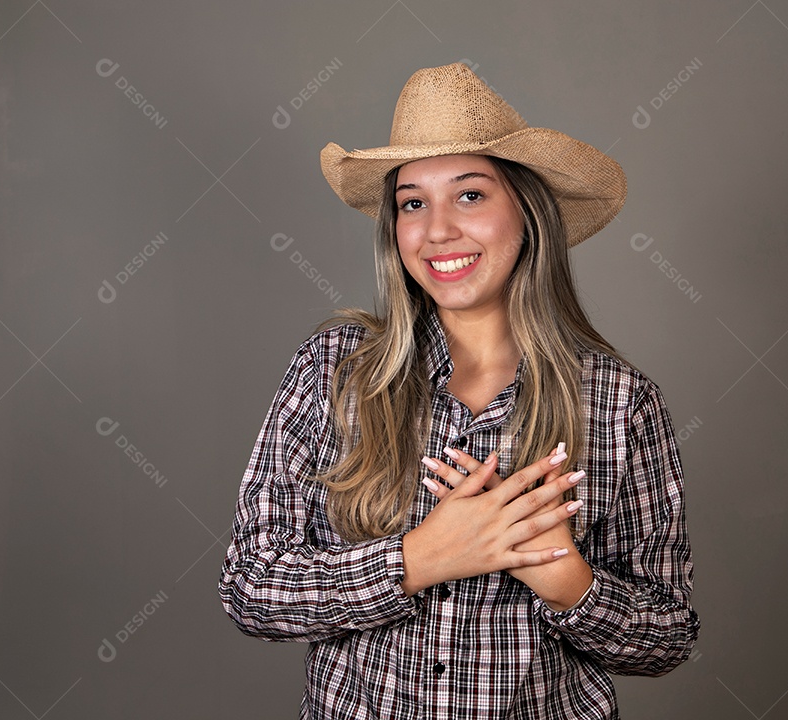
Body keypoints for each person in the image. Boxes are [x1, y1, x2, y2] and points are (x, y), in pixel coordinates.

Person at [219, 62, 699, 719]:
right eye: (412, 202)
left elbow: (666, 638)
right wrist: (418, 559)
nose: (438, 228)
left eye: (469, 195)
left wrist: (564, 577)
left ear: (527, 213)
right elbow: (250, 588)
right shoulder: (334, 370)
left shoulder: (619, 402)